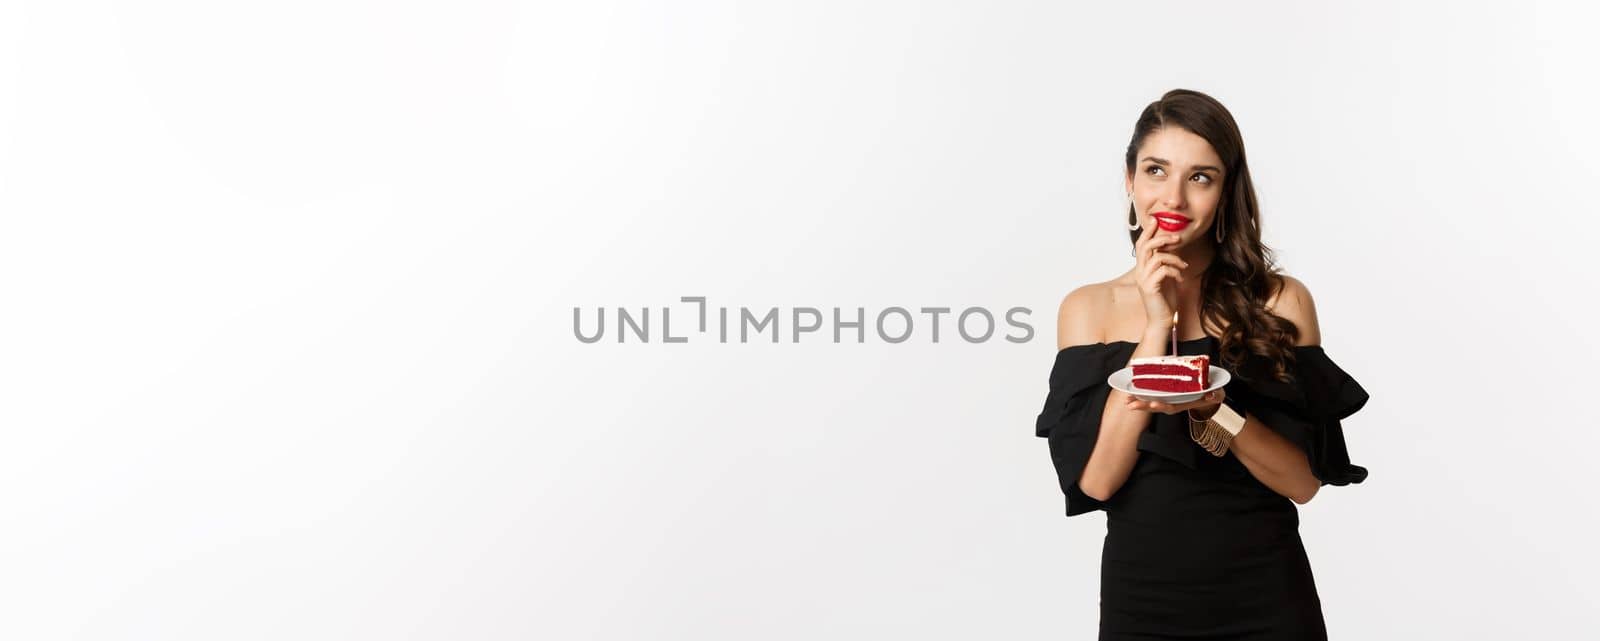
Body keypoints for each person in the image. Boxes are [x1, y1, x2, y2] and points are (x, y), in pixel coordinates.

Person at [1035, 89, 1370, 640]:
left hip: (1265, 594)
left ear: (1224, 191)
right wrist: (1153, 325)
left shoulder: (1279, 302)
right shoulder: (1086, 308)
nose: (1173, 197)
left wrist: (1218, 409)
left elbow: (1302, 484)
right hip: (1143, 599)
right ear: (1129, 180)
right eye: (1156, 170)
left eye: (1200, 177)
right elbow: (1096, 482)